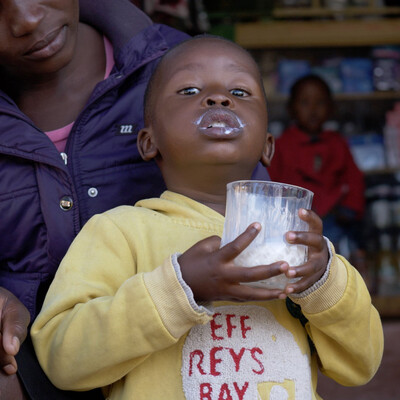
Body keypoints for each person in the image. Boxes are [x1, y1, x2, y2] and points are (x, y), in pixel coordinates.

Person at [31, 36, 383, 400]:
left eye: (240, 92)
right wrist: (180, 289)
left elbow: (362, 363)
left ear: (267, 145)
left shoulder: (293, 242)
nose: (218, 98)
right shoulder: (119, 231)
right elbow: (63, 357)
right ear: (149, 142)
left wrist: (322, 281)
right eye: (189, 89)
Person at [0, 0, 191, 398]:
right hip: (28, 358)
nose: (26, 19)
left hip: (179, 347)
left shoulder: (186, 72)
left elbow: (253, 226)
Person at [268, 74, 365, 253]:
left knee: (341, 252)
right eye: (305, 103)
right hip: (293, 220)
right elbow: (271, 184)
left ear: (331, 108)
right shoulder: (282, 144)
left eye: (320, 103)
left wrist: (349, 209)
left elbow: (354, 179)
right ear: (291, 109)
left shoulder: (337, 143)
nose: (312, 110)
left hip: (334, 216)